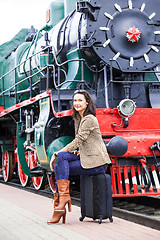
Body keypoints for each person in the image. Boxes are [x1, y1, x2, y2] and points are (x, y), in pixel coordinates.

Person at [47, 90, 111, 224]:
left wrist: (56, 152)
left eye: (80, 100)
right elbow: (82, 142)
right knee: (62, 159)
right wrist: (78, 152)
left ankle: (60, 204)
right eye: (75, 100)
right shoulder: (78, 118)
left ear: (87, 102)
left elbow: (79, 139)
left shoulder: (89, 119)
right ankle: (62, 200)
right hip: (86, 157)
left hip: (97, 163)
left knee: (60, 164)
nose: (77, 103)